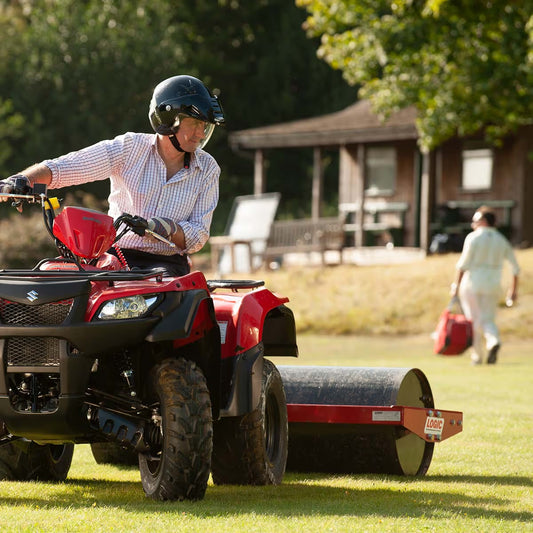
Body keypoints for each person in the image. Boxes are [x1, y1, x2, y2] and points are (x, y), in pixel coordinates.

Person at [0, 74, 225, 276]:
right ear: (168, 120)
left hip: (166, 266)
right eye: (195, 123)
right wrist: (22, 180)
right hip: (114, 257)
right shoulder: (129, 148)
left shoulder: (207, 169)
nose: (201, 133)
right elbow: (69, 166)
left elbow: (198, 236)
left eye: (204, 125)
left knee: (155, 294)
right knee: (59, 278)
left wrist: (164, 228)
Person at [450, 206, 520, 365]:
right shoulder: (502, 240)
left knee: (473, 320)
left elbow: (462, 265)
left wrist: (455, 285)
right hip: (493, 284)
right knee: (488, 318)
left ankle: (477, 356)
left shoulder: (473, 237)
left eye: (475, 221)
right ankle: (493, 341)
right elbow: (515, 269)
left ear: (483, 221)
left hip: (472, 282)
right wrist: (513, 291)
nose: (472, 224)